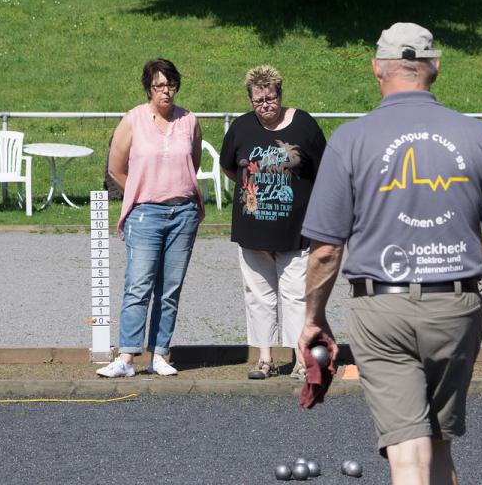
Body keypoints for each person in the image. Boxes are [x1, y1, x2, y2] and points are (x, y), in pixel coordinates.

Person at [299, 23, 482, 484]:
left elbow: (325, 251)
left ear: (376, 69)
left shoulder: (350, 139)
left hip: (382, 309)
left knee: (408, 452)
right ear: (435, 68)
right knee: (438, 446)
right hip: (457, 307)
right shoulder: (477, 135)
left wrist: (313, 318)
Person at [97, 58, 204, 378]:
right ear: (148, 88)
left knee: (170, 288)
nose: (165, 91)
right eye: (159, 85)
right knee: (138, 285)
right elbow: (115, 168)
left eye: (170, 85)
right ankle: (126, 356)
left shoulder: (189, 121)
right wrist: (140, 192)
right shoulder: (132, 120)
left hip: (183, 212)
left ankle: (160, 353)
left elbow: (193, 161)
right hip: (145, 213)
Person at [219, 65, 326, 380]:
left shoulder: (304, 125)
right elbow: (230, 167)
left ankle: (300, 360)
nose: (265, 105)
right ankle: (264, 358)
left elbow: (324, 169)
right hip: (252, 231)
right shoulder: (241, 127)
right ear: (250, 100)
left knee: (296, 295)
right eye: (258, 100)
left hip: (296, 232)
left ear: (280, 94)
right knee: (258, 296)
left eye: (270, 98)